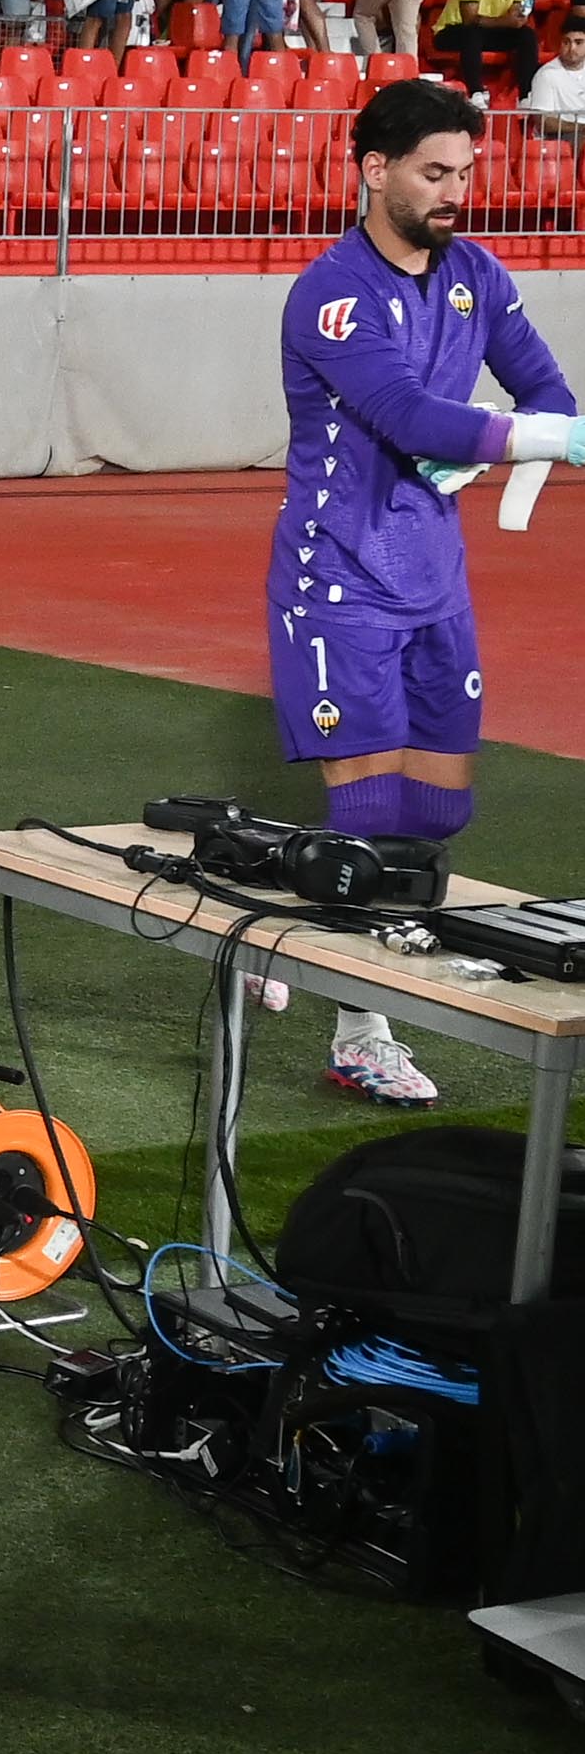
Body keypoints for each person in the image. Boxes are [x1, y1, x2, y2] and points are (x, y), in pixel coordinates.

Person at [271, 79, 585, 1103]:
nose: (454, 192)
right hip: (338, 581)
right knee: (367, 812)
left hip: (433, 581)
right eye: (432, 173)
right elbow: (408, 412)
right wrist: (511, 440)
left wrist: (496, 460)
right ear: (373, 169)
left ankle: (307, 924)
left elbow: (547, 391)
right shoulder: (327, 293)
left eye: (464, 173)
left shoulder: (478, 276)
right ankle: (359, 1024)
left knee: (435, 815)